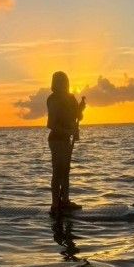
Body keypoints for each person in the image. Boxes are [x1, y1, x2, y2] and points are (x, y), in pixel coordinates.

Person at [46, 71, 86, 216]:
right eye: (60, 82)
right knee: (58, 171)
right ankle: (55, 204)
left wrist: (80, 109)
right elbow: (50, 124)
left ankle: (66, 201)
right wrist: (67, 132)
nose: (63, 84)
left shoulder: (71, 98)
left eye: (65, 81)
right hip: (56, 139)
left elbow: (78, 116)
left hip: (67, 140)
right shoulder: (53, 99)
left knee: (66, 171)